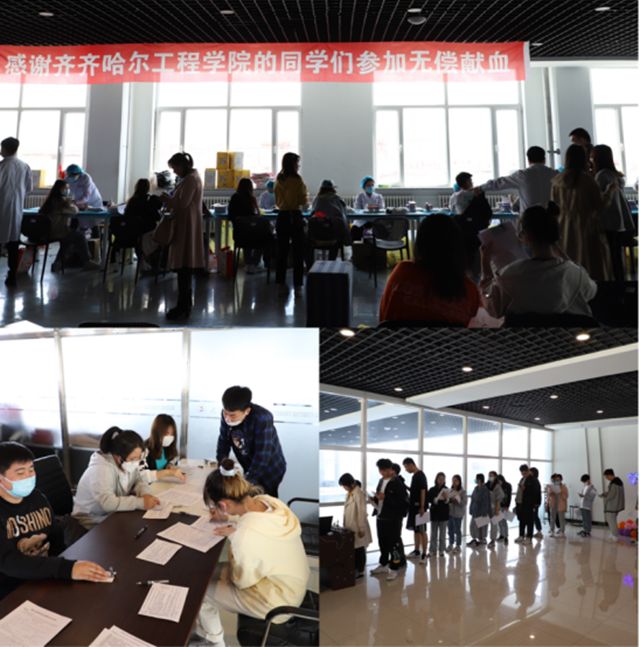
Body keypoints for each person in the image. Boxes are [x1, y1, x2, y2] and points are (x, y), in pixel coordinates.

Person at [194, 459, 309, 646]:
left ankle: (214, 643)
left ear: (223, 505)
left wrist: (236, 538)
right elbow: (258, 530)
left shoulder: (246, 535)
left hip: (277, 602)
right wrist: (234, 526)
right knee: (204, 574)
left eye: (215, 506)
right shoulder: (270, 502)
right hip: (293, 585)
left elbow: (242, 581)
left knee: (200, 592)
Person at [0, 441, 109, 600]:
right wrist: (65, 568)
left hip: (45, 575)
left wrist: (63, 568)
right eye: (20, 473)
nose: (29, 477)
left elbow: (55, 536)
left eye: (31, 470)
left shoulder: (37, 497)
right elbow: (9, 562)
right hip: (12, 586)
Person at [480, 202, 598, 320]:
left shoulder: (509, 275)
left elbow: (492, 307)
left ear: (527, 235)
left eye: (520, 235)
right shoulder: (576, 274)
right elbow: (591, 291)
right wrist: (562, 254)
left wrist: (485, 264)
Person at [379, 213, 479, 325]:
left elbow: (383, 320)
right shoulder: (469, 290)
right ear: (458, 247)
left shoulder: (403, 272)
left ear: (420, 243)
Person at [551, 144, 617, 281]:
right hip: (586, 226)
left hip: (563, 227)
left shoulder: (557, 182)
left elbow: (553, 206)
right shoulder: (587, 180)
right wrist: (610, 191)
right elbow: (601, 206)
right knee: (590, 263)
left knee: (568, 261)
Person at [72, 427, 160, 529]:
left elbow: (138, 479)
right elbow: (106, 503)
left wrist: (145, 494)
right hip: (91, 520)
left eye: (139, 458)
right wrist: (140, 503)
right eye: (133, 458)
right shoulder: (102, 469)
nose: (136, 462)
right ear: (119, 457)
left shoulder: (126, 463)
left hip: (111, 515)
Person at [215, 386, 286, 499]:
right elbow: (223, 442)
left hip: (270, 468)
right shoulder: (228, 413)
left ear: (247, 411)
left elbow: (262, 455)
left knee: (265, 500)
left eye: (233, 416)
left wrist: (248, 482)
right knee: (246, 499)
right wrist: (222, 469)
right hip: (248, 463)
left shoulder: (262, 417)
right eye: (225, 414)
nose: (228, 419)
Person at [161, 152, 205, 320]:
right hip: (186, 224)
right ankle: (185, 303)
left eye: (174, 168)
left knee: (184, 267)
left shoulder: (191, 179)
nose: (174, 172)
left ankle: (183, 305)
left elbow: (183, 203)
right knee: (183, 268)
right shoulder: (190, 178)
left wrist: (167, 200)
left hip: (186, 226)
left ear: (181, 165)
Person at [591, 145, 636, 282]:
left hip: (607, 222)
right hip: (618, 222)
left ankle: (614, 288)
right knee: (616, 258)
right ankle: (620, 286)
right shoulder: (615, 175)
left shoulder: (601, 176)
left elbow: (598, 200)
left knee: (610, 259)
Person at [38, 179, 101, 272]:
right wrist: (72, 204)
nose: (67, 190)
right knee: (79, 236)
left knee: (70, 236)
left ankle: (58, 262)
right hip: (57, 232)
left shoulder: (49, 200)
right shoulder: (61, 201)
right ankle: (87, 261)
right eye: (65, 188)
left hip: (46, 232)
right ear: (59, 189)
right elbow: (74, 211)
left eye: (67, 188)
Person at [479, 146, 559, 214]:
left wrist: (481, 188)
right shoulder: (555, 174)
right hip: (551, 220)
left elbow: (499, 183)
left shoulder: (522, 175)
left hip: (529, 221)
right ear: (544, 159)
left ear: (529, 160)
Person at [274, 152, 307, 297]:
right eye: (297, 163)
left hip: (282, 216)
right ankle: (298, 285)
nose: (298, 166)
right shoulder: (298, 180)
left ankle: (281, 284)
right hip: (295, 216)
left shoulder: (278, 179)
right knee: (298, 252)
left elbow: (277, 200)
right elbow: (303, 201)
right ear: (293, 164)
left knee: (282, 251)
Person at [0, 137, 32, 287]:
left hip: (2, 209)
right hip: (17, 210)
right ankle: (12, 274)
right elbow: (28, 189)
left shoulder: (1, 166)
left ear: (3, 149)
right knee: (13, 244)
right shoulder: (25, 166)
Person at [368, 458, 407, 581]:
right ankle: (384, 565)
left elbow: (402, 502)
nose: (382, 473)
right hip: (381, 516)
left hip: (392, 519)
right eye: (380, 470)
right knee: (382, 543)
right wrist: (374, 499)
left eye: (384, 470)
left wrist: (386, 498)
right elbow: (380, 497)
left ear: (391, 469)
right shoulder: (381, 481)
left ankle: (395, 568)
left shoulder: (397, 483)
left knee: (394, 545)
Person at [228, 177, 267, 274]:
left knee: (246, 235)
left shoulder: (234, 197)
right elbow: (255, 217)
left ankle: (248, 263)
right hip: (253, 234)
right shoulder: (251, 199)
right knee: (265, 237)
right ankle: (255, 263)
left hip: (239, 235)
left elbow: (230, 216)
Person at [309, 179, 352, 262]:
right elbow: (343, 216)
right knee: (336, 230)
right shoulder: (338, 200)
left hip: (318, 236)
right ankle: (331, 261)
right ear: (333, 189)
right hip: (333, 238)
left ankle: (310, 264)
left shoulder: (316, 200)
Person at [339, 473, 372, 580]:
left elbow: (362, 512)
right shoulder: (350, 493)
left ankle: (361, 572)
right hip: (351, 525)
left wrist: (361, 528)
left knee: (360, 549)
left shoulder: (359, 494)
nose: (344, 488)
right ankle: (356, 568)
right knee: (354, 549)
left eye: (345, 485)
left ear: (350, 484)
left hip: (358, 526)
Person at [138, 414, 186, 484]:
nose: (169, 437)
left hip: (164, 484)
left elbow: (173, 459)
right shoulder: (144, 449)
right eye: (166, 433)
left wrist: (169, 465)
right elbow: (141, 475)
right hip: (150, 486)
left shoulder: (168, 446)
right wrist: (167, 472)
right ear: (156, 432)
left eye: (172, 434)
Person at [403, 458, 428, 563]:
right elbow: (415, 491)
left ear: (411, 465)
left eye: (406, 467)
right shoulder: (415, 476)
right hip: (414, 507)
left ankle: (424, 555)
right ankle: (417, 551)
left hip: (420, 508)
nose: (406, 469)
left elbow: (423, 491)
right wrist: (406, 487)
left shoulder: (421, 475)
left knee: (422, 531)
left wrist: (422, 506)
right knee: (416, 530)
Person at [514, 464, 541, 544]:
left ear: (528, 471)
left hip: (528, 504)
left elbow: (535, 492)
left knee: (529, 521)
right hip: (520, 503)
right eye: (522, 473)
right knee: (521, 520)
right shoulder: (522, 479)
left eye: (525, 473)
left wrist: (525, 489)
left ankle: (529, 537)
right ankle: (521, 535)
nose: (523, 475)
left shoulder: (534, 480)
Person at [426, 472, 450, 557]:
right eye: (439, 479)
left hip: (444, 514)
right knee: (433, 533)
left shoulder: (446, 489)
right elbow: (428, 499)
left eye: (443, 479)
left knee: (442, 533)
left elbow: (448, 501)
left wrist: (446, 498)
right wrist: (435, 499)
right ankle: (432, 550)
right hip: (434, 513)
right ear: (436, 479)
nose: (441, 481)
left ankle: (441, 550)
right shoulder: (432, 489)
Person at [600, 468, 625, 543]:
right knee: (613, 520)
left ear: (610, 475)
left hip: (612, 506)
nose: (607, 478)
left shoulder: (613, 483)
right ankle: (613, 534)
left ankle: (614, 536)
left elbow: (611, 496)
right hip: (617, 505)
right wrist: (608, 492)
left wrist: (603, 496)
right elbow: (614, 493)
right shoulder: (619, 482)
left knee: (611, 521)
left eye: (606, 477)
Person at [467, 473, 490, 548]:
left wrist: (484, 512)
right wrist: (471, 509)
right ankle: (474, 539)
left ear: (479, 480)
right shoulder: (475, 488)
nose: (475, 480)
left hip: (481, 511)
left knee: (481, 527)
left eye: (476, 479)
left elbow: (485, 501)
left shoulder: (484, 489)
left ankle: (482, 540)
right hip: (475, 510)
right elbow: (472, 499)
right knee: (472, 526)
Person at [447, 474, 467, 554]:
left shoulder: (462, 491)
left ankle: (458, 545)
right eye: (453, 480)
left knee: (457, 530)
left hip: (458, 514)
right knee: (450, 529)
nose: (454, 482)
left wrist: (457, 501)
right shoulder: (450, 490)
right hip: (450, 513)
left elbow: (464, 502)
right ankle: (451, 544)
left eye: (455, 480)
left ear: (459, 481)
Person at [547, 473, 569, 538]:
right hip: (553, 504)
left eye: (558, 479)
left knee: (561, 519)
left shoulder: (564, 487)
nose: (557, 481)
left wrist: (561, 493)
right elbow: (549, 494)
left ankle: (562, 532)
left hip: (561, 504)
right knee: (552, 518)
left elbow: (566, 496)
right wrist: (551, 493)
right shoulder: (552, 486)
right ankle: (552, 531)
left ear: (561, 479)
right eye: (556, 479)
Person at [487, 471, 505, 548]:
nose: (490, 477)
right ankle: (482, 539)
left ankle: (493, 540)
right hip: (487, 508)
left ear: (495, 477)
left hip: (494, 507)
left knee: (493, 524)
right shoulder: (487, 485)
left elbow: (499, 498)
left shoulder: (497, 486)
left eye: (491, 475)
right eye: (489, 475)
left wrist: (497, 509)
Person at [578, 474, 597, 538]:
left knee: (587, 519)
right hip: (582, 505)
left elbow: (591, 498)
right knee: (584, 519)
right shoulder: (584, 487)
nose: (584, 483)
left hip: (587, 506)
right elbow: (581, 498)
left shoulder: (592, 488)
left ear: (588, 480)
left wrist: (584, 496)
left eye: (584, 481)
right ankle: (584, 529)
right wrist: (580, 505)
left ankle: (588, 531)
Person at [496, 474, 512, 545]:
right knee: (499, 521)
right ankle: (501, 535)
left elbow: (509, 496)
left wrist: (507, 506)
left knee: (503, 521)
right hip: (498, 506)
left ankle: (505, 536)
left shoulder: (507, 485)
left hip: (504, 506)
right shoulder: (497, 486)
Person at [530, 466, 544, 538]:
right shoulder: (532, 481)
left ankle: (539, 531)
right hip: (532, 503)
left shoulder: (535, 481)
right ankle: (531, 531)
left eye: (530, 472)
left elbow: (536, 493)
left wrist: (537, 503)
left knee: (535, 516)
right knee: (532, 517)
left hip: (535, 503)